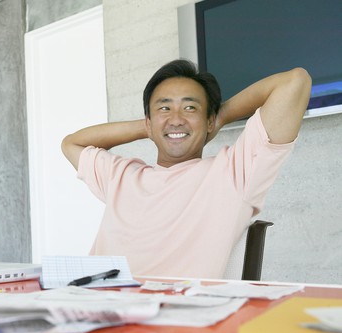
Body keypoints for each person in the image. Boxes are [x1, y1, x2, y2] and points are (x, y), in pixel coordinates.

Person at [61, 59, 311, 278]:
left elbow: (295, 82)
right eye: (164, 107)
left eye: (190, 108)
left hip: (172, 319)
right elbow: (71, 143)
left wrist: (219, 118)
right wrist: (153, 126)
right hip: (91, 307)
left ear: (209, 120)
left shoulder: (234, 173)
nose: (177, 118)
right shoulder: (121, 176)